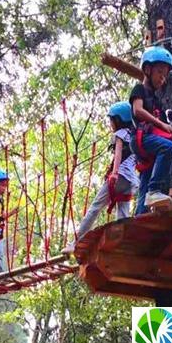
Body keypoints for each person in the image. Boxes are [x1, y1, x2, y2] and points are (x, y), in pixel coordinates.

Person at [62, 101, 139, 254]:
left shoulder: (120, 134)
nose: (110, 124)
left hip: (119, 176)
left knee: (95, 208)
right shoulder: (135, 135)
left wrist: (114, 173)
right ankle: (122, 244)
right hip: (131, 181)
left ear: (119, 120)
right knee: (123, 213)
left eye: (111, 120)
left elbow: (118, 154)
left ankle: (75, 243)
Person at [129, 46, 172, 215]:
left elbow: (159, 122)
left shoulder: (156, 100)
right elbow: (137, 110)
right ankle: (154, 191)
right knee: (168, 148)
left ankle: (139, 218)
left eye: (165, 76)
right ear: (148, 69)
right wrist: (162, 125)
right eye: (160, 73)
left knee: (146, 179)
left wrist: (167, 132)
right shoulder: (139, 89)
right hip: (139, 138)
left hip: (147, 141)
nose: (162, 79)